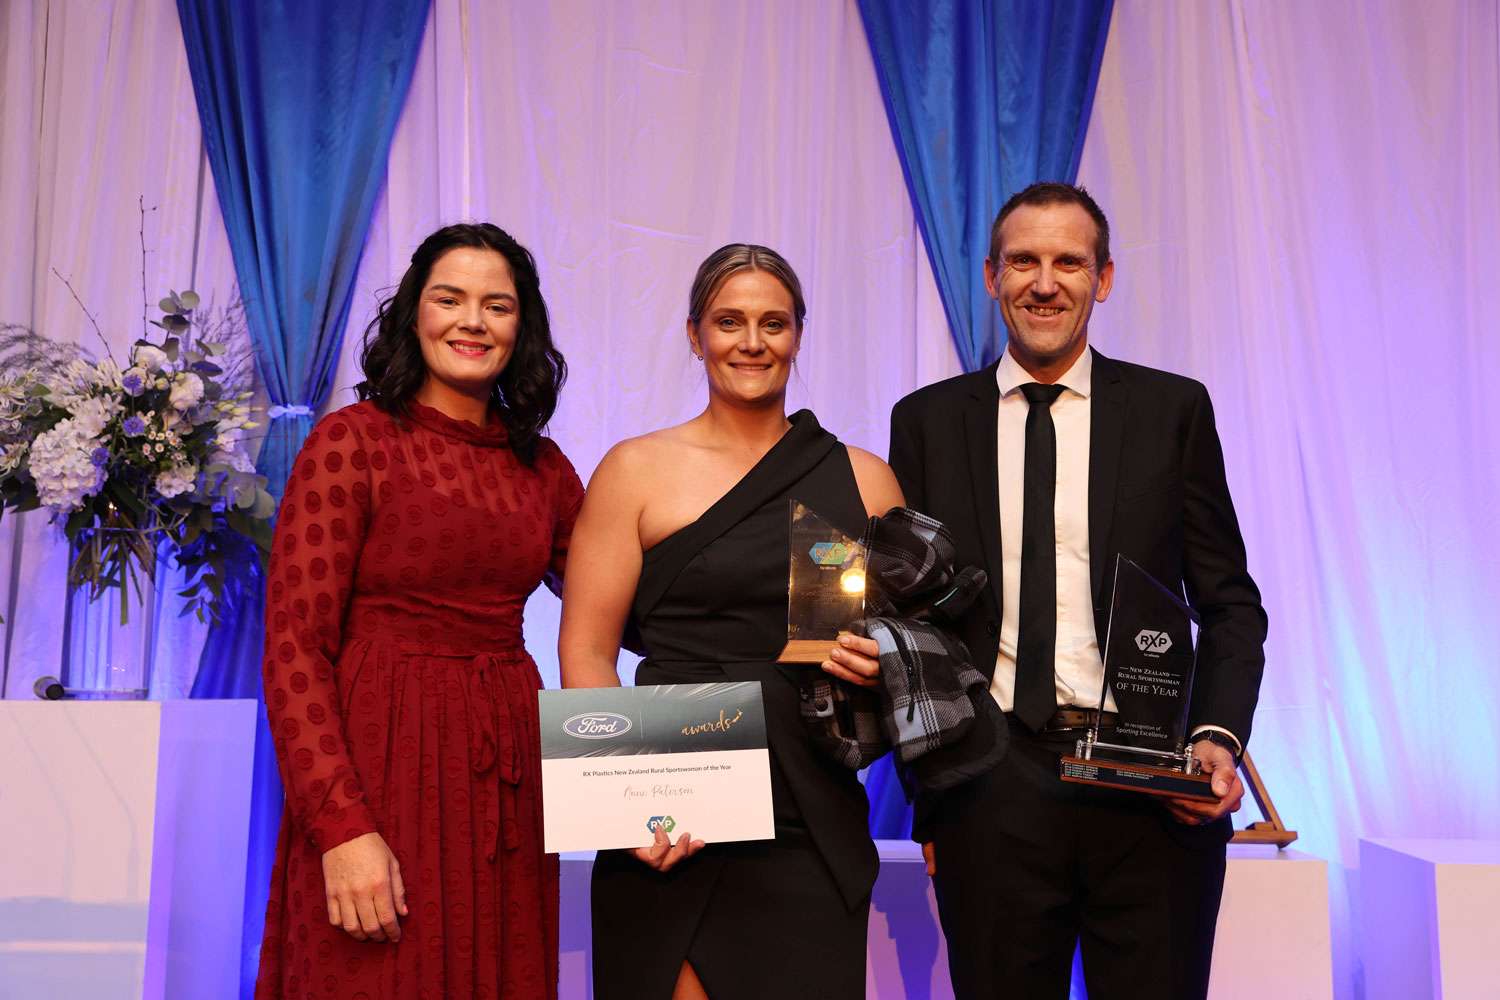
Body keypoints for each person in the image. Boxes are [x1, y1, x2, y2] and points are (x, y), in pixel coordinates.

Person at [888, 182, 1268, 1000]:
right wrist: (931, 793)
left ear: (1104, 278)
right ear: (991, 276)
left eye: (1069, 261)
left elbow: (1231, 602)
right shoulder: (924, 422)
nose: (1045, 281)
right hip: (990, 786)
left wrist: (1217, 738)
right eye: (1024, 260)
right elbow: (913, 621)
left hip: (1151, 786)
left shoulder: (1173, 411)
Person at [558, 244, 904, 1000]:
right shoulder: (634, 470)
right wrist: (632, 804)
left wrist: (886, 667)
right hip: (672, 812)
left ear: (798, 336)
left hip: (810, 812)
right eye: (729, 321)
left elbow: (916, 652)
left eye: (773, 323)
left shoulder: (866, 480)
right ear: (694, 334)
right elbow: (584, 650)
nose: (752, 341)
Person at [256, 223, 583, 999]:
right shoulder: (351, 443)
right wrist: (340, 828)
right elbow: (293, 649)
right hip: (379, 761)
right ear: (413, 314)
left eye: (496, 306)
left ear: (521, 328)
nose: (472, 321)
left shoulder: (543, 468)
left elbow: (626, 608)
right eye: (450, 299)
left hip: (506, 778)